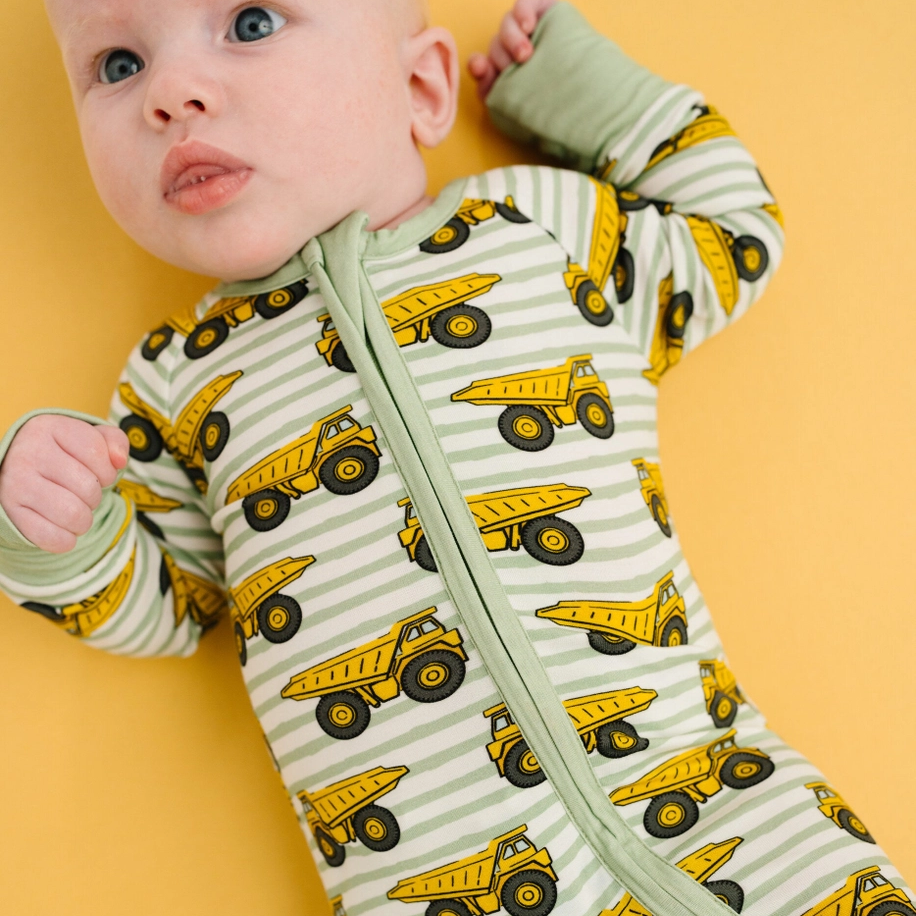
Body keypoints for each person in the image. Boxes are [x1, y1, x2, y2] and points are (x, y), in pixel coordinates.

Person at [0, 1, 910, 914]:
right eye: (118, 65)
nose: (169, 92)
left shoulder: (537, 230)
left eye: (251, 23)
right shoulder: (175, 383)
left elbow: (731, 231)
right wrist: (51, 523)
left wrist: (569, 86)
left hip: (727, 802)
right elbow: (166, 599)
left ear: (421, 86)